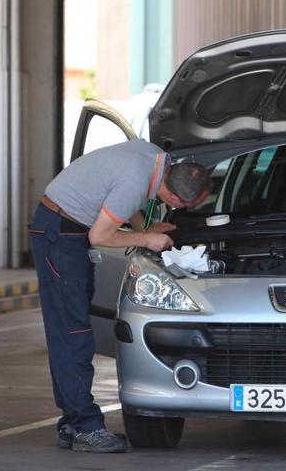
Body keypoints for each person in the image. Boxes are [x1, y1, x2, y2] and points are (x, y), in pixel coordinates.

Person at [27, 140, 211, 453]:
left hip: (65, 226)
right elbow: (99, 235)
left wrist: (145, 225)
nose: (182, 211)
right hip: (60, 234)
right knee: (73, 334)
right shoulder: (134, 179)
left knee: (71, 330)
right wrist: (147, 239)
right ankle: (85, 427)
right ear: (173, 197)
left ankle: (73, 424)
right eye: (184, 207)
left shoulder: (156, 159)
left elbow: (129, 200)